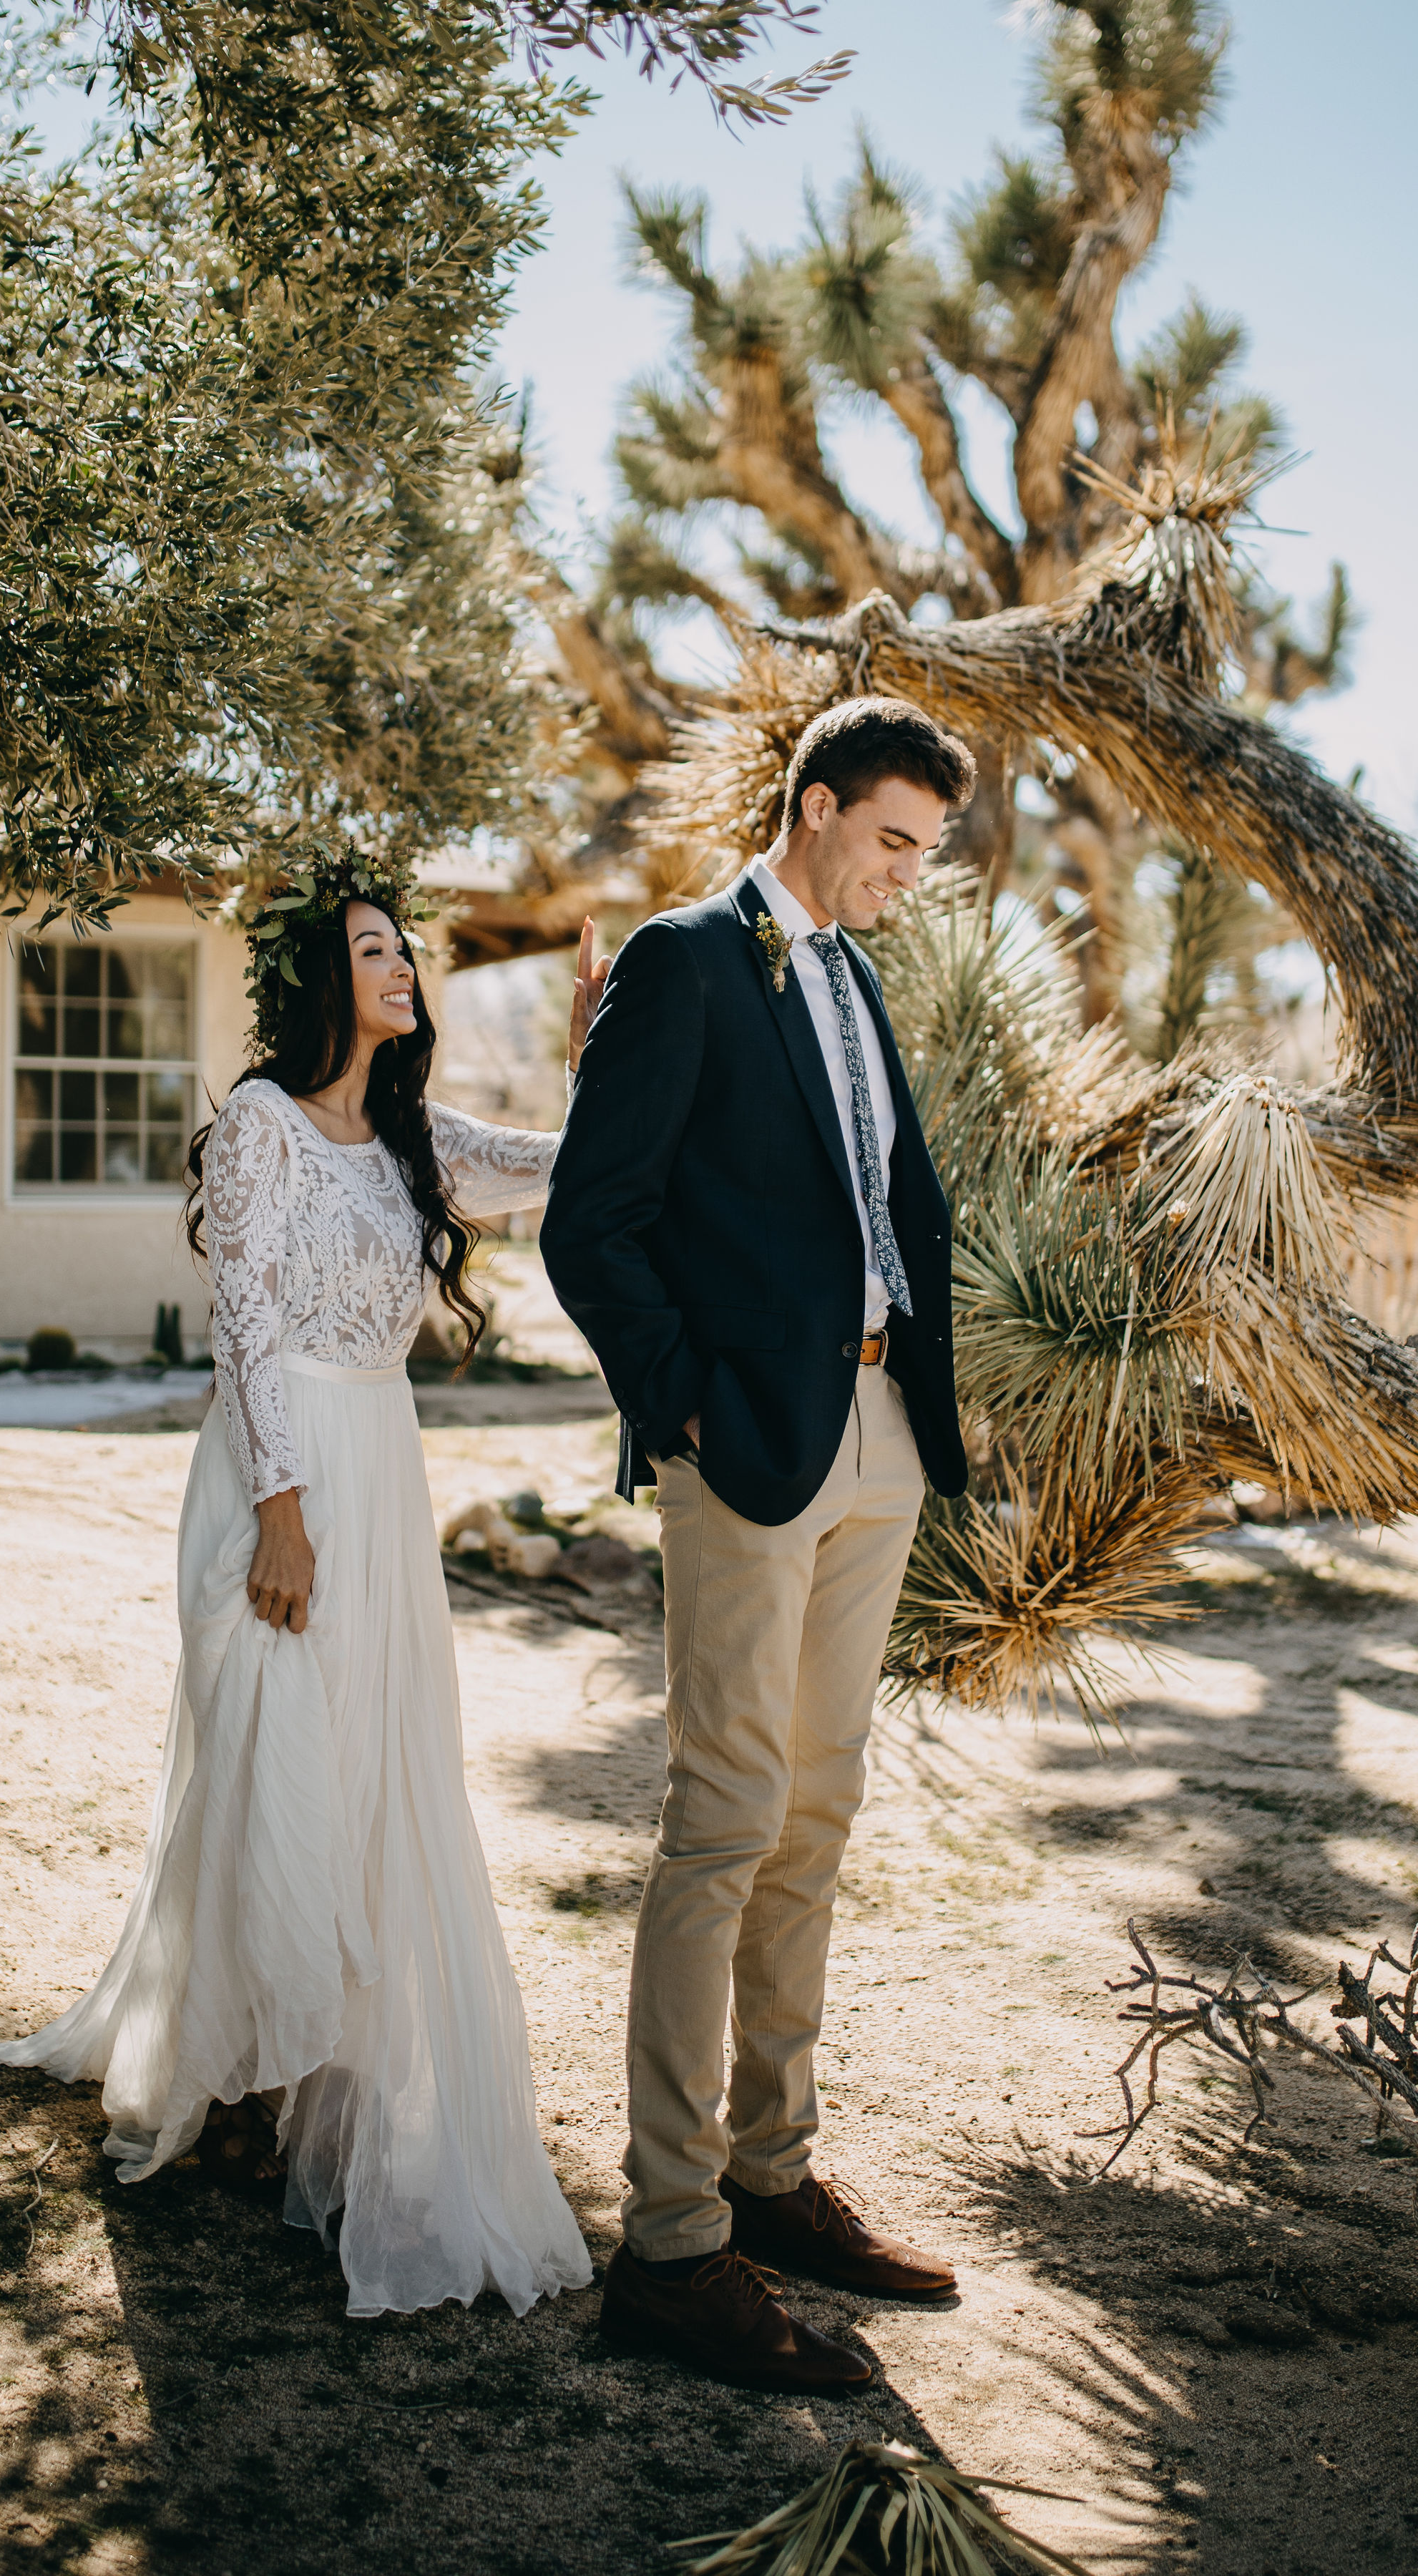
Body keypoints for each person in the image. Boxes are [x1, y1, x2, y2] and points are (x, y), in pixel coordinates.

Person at [0, 847, 592, 2321]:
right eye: (377, 952)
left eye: (408, 956)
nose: (402, 972)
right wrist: (279, 1513)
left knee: (370, 1768)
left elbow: (557, 1171)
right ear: (330, 978)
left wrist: (600, 1053)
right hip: (281, 1471)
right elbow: (241, 1317)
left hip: (381, 1460)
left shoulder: (408, 1137)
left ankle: (316, 2060)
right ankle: (239, 2069)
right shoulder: (259, 1120)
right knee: (273, 1761)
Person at [541, 696, 977, 2394]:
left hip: (880, 1443)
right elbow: (598, 1218)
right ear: (811, 805)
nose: (904, 877)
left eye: (925, 856)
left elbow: (890, 1207)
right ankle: (668, 2246)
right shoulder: (686, 959)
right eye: (889, 842)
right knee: (723, 1822)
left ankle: (772, 2174)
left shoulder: (858, 980)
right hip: (752, 1447)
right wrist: (687, 1408)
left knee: (820, 1809)